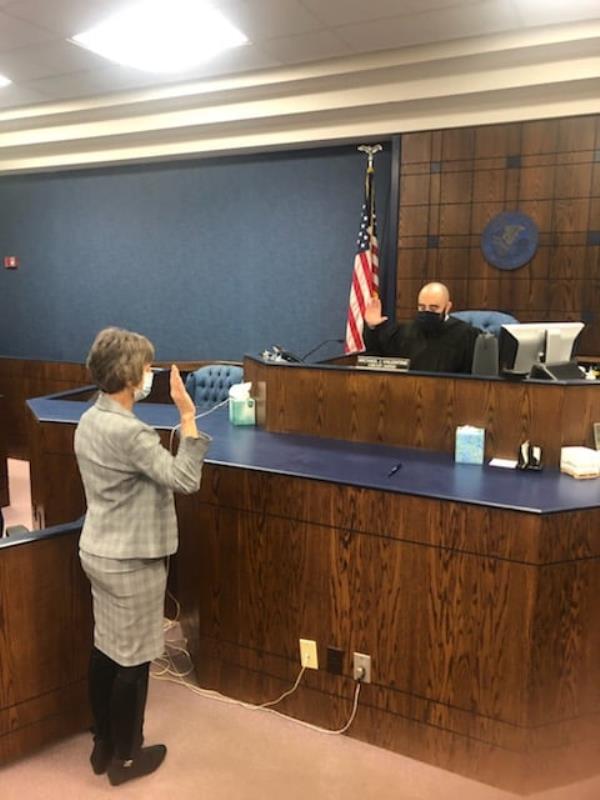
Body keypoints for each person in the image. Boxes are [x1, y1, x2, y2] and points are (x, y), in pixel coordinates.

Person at [74, 327, 211, 786]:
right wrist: (188, 415)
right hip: (131, 561)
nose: (151, 374)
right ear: (131, 377)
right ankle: (126, 759)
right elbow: (185, 477)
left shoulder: (91, 418)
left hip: (99, 550)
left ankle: (103, 743)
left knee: (106, 650)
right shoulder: (129, 432)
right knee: (132, 662)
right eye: (148, 368)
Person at [363, 282, 479, 374]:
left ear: (447, 307)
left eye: (433, 308)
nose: (427, 312)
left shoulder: (466, 335)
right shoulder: (404, 331)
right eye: (422, 307)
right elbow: (377, 357)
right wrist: (372, 326)